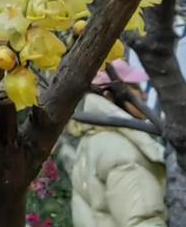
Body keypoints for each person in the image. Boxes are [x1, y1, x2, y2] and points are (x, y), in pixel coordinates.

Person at [69, 61, 167, 227]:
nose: (143, 95)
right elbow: (142, 220)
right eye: (135, 88)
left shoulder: (94, 140)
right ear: (109, 96)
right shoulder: (120, 149)